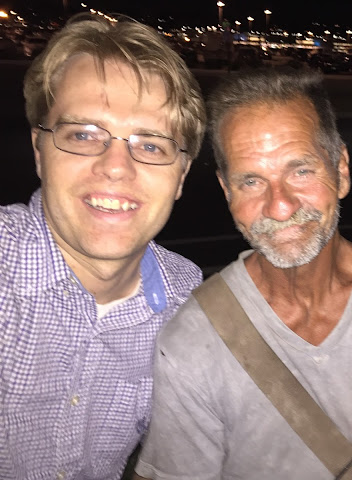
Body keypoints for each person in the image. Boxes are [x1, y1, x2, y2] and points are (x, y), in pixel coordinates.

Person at [135, 68, 352, 479]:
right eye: (251, 181)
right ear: (227, 191)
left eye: (301, 171)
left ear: (340, 170)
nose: (280, 206)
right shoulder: (193, 342)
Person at [0, 13, 206, 480]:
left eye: (150, 145)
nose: (116, 166)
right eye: (83, 135)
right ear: (39, 150)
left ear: (182, 176)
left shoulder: (186, 304)